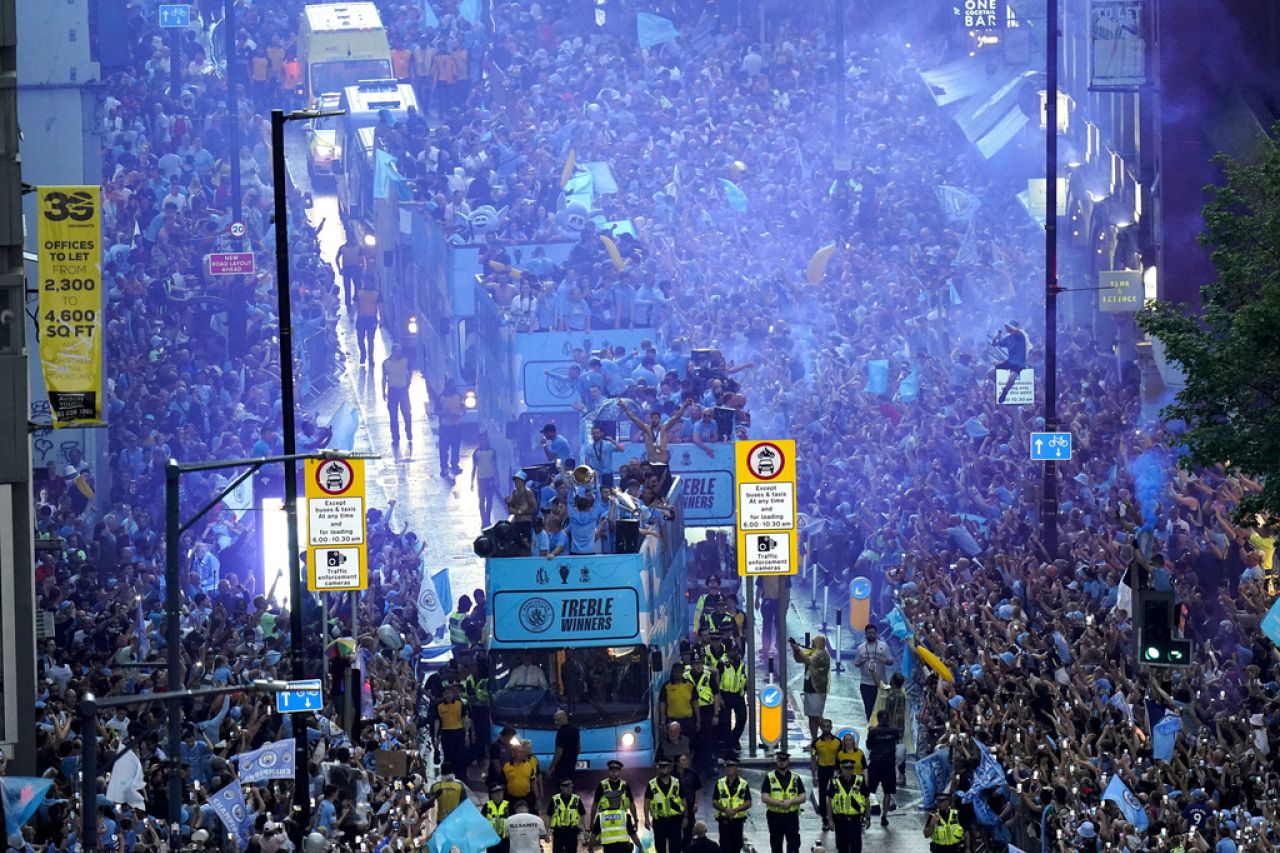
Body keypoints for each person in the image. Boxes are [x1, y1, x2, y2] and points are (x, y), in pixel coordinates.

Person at [760, 751, 805, 853]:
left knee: (793, 845)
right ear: (777, 761)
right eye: (779, 759)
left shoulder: (795, 777)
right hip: (775, 817)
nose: (781, 762)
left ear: (788, 761)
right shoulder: (770, 777)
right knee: (776, 846)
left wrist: (791, 802)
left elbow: (803, 797)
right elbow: (764, 797)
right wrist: (779, 803)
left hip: (791, 817)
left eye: (784, 760)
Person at [789, 635, 831, 742]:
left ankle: (828, 734)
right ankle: (814, 740)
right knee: (811, 716)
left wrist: (798, 649)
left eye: (814, 642)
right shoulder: (813, 652)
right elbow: (799, 659)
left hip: (817, 688)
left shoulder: (822, 654)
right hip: (809, 686)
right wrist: (796, 651)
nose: (812, 644)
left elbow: (808, 660)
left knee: (816, 715)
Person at [864, 713, 901, 826]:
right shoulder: (893, 731)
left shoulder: (873, 731)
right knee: (888, 792)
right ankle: (884, 816)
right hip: (888, 764)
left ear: (878, 719)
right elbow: (898, 743)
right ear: (888, 719)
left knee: (867, 791)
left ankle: (866, 816)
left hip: (875, 763)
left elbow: (869, 746)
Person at [826, 759, 869, 853]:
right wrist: (830, 820)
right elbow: (829, 801)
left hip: (855, 820)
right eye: (846, 768)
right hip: (840, 821)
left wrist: (868, 817)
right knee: (842, 848)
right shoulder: (834, 782)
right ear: (842, 768)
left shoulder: (860, 780)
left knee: (856, 848)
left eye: (851, 767)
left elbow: (866, 799)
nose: (848, 770)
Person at [851, 625, 893, 721]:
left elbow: (891, 661)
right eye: (868, 633)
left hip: (881, 683)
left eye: (872, 633)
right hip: (866, 683)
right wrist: (861, 662)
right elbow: (856, 663)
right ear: (865, 634)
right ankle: (870, 729)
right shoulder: (860, 648)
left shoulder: (883, 646)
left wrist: (885, 660)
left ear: (876, 633)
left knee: (881, 709)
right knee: (868, 709)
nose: (870, 635)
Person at [644, 758, 685, 853]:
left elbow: (683, 800)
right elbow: (646, 802)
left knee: (675, 847)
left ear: (669, 768)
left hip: (674, 820)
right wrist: (646, 818)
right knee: (660, 847)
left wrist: (685, 817)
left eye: (664, 767)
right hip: (659, 821)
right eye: (660, 767)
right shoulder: (652, 784)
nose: (662, 769)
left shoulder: (676, 782)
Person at [711, 758, 751, 853]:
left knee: (737, 846)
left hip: (737, 820)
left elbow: (748, 802)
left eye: (731, 766)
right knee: (725, 847)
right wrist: (725, 810)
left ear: (736, 767)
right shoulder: (719, 783)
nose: (729, 768)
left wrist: (735, 810)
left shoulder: (743, 783)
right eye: (727, 766)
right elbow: (715, 801)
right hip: (724, 820)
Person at [716, 645, 748, 757]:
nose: (733, 652)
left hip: (738, 695)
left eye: (735, 650)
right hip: (725, 695)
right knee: (726, 722)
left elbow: (743, 678)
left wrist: (745, 692)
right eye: (731, 650)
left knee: (742, 718)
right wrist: (719, 697)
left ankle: (733, 740)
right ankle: (728, 749)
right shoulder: (722, 663)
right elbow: (716, 681)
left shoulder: (741, 663)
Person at [433, 681, 471, 773]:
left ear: (453, 694)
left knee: (460, 755)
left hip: (458, 732)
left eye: (451, 693)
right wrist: (435, 736)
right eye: (447, 693)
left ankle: (461, 775)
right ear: (443, 694)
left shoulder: (460, 704)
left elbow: (464, 719)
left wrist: (466, 734)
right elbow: (437, 721)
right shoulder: (438, 705)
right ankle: (448, 774)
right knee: (448, 755)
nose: (449, 695)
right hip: (446, 733)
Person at [811, 718, 842, 829]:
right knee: (822, 795)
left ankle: (834, 818)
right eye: (823, 726)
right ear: (820, 728)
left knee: (835, 795)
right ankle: (824, 820)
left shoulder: (838, 742)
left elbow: (841, 758)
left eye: (828, 726)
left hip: (834, 770)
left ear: (831, 727)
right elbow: (813, 758)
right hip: (822, 769)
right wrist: (813, 775)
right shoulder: (816, 743)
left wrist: (839, 772)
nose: (826, 729)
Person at [592, 788, 642, 853]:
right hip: (624, 848)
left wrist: (591, 848)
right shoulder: (625, 816)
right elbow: (633, 835)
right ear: (619, 800)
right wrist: (640, 847)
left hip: (609, 849)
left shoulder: (601, 817)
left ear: (608, 801)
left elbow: (593, 835)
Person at [383, 343, 413, 444]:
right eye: (398, 351)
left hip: (403, 390)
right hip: (392, 391)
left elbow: (409, 372)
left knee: (407, 413)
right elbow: (384, 378)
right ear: (393, 352)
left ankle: (408, 430)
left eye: (400, 351)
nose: (400, 353)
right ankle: (395, 436)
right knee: (393, 415)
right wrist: (383, 391)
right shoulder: (386, 363)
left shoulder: (406, 361)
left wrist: (408, 383)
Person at [548, 778, 586, 853]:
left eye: (570, 786)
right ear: (561, 787)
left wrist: (586, 829)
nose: (569, 788)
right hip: (558, 831)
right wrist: (546, 831)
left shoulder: (576, 799)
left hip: (572, 831)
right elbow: (549, 815)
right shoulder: (555, 799)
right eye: (566, 786)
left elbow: (583, 814)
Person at [591, 760, 635, 824]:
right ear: (608, 771)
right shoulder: (602, 785)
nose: (614, 773)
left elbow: (632, 804)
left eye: (616, 771)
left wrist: (636, 819)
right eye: (612, 770)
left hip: (622, 821)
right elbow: (595, 804)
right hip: (605, 822)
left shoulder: (625, 785)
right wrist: (591, 822)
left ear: (619, 771)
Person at [436, 382, 465, 477]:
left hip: (457, 426)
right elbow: (436, 411)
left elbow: (463, 408)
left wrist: (461, 413)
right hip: (445, 427)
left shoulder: (459, 397)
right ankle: (444, 467)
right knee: (444, 448)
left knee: (456, 447)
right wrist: (444, 413)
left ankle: (454, 465)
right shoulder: (441, 398)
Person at [583, 422, 625, 488]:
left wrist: (612, 440)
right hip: (596, 475)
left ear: (601, 433)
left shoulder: (608, 444)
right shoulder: (589, 447)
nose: (595, 435)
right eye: (593, 433)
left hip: (607, 474)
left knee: (609, 493)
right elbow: (586, 461)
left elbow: (622, 449)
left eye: (597, 433)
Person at [658, 661, 695, 732]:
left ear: (683, 673)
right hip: (672, 720)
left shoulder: (689, 685)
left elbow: (695, 702)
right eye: (675, 672)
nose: (677, 674)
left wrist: (698, 721)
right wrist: (663, 721)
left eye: (680, 672)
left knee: (688, 741)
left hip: (687, 720)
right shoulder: (666, 686)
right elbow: (662, 703)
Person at [472, 432, 500, 526]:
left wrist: (497, 479)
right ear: (479, 440)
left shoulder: (492, 452)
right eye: (482, 439)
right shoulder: (476, 453)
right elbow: (474, 468)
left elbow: (495, 466)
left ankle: (487, 518)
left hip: (490, 479)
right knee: (481, 500)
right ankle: (483, 519)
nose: (484, 441)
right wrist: (471, 482)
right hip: (481, 479)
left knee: (489, 500)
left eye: (485, 439)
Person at [353, 279, 381, 365]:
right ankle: (363, 353)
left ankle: (370, 358)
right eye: (367, 282)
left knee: (370, 340)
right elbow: (355, 305)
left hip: (371, 319)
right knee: (360, 339)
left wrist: (382, 319)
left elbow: (380, 306)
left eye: (370, 282)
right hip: (361, 319)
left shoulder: (377, 294)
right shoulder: (359, 293)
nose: (368, 284)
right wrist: (352, 315)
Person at [550, 709, 580, 785]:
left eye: (558, 720)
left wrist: (551, 768)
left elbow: (558, 753)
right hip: (572, 765)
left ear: (564, 718)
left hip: (562, 767)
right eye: (555, 720)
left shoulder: (561, 733)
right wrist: (574, 757)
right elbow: (579, 746)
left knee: (562, 787)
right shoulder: (575, 730)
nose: (556, 723)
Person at [337, 232, 363, 308]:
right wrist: (339, 269)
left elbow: (363, 259)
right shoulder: (342, 248)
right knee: (347, 287)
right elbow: (337, 258)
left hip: (356, 268)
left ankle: (357, 300)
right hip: (346, 269)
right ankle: (348, 303)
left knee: (357, 286)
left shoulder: (358, 247)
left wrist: (363, 268)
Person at [483, 785, 511, 853]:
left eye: (501, 793)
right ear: (492, 795)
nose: (499, 795)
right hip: (491, 838)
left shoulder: (508, 805)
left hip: (505, 838)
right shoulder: (487, 806)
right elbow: (482, 821)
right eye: (497, 794)